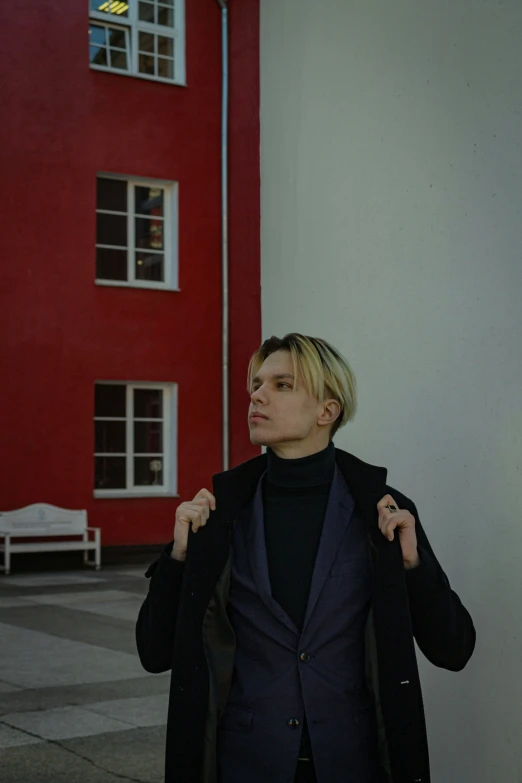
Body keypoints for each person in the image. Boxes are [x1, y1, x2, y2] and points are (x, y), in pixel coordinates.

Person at [136, 333, 475, 783]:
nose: (257, 395)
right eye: (256, 384)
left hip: (355, 763)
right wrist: (178, 559)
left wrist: (414, 567)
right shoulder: (218, 514)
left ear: (327, 411)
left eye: (281, 385)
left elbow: (454, 649)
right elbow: (154, 652)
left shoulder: (382, 511)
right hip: (244, 764)